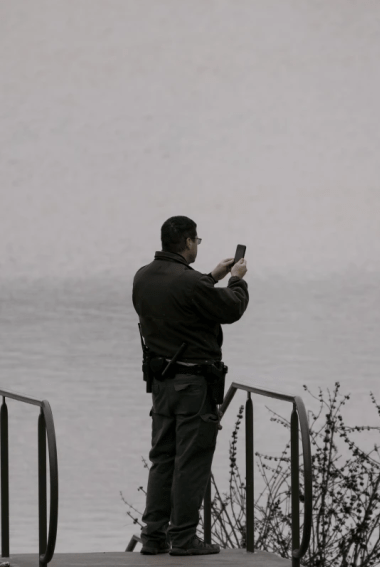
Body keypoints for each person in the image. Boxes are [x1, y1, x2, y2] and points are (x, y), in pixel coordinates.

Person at [132, 215, 249, 557]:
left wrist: (213, 276)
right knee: (191, 461)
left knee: (163, 458)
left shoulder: (143, 276)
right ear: (186, 243)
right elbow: (230, 308)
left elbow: (183, 299)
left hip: (161, 384)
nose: (197, 246)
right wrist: (236, 281)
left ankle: (153, 536)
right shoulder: (190, 283)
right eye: (196, 241)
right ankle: (183, 538)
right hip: (194, 386)